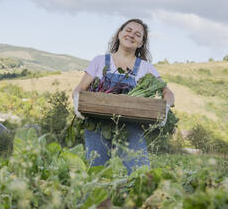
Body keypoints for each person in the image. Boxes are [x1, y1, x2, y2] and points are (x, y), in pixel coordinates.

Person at [72, 19, 175, 175]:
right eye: (128, 30)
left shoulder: (146, 68)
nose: (131, 35)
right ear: (119, 33)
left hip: (131, 126)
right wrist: (77, 101)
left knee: (139, 172)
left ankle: (137, 199)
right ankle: (99, 199)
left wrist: (166, 107)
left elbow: (167, 92)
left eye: (137, 34)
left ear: (141, 43)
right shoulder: (99, 61)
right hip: (97, 123)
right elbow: (80, 88)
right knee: (96, 172)